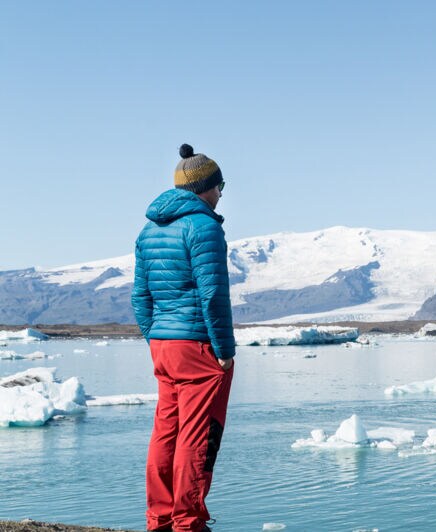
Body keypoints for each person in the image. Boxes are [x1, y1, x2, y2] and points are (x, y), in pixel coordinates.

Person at [132, 143, 236, 532]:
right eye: (220, 185)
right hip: (198, 346)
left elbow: (140, 296)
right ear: (205, 187)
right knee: (199, 433)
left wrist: (156, 338)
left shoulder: (148, 229)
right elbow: (213, 295)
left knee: (166, 431)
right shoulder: (205, 226)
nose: (222, 193)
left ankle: (158, 518)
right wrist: (223, 349)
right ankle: (187, 522)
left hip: (164, 344)